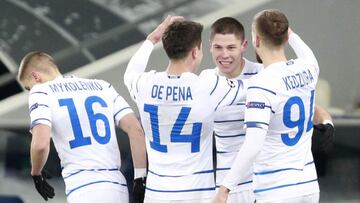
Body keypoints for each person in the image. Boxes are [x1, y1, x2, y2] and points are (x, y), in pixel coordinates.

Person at [124, 16, 248, 202]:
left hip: (157, 194)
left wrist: (151, 39)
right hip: (197, 195)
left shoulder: (145, 84)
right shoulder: (209, 86)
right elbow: (256, 87)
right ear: (195, 52)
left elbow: (130, 73)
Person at [210, 17, 334, 202]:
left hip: (268, 186)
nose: (225, 54)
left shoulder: (262, 78)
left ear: (250, 43)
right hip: (304, 186)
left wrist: (224, 189)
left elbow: (253, 144)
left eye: (231, 47)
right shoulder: (307, 66)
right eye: (218, 47)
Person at [17, 52, 147, 203]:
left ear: (35, 77)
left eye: (28, 87)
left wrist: (36, 173)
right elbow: (136, 130)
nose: (30, 91)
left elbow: (40, 144)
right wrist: (140, 178)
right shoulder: (102, 86)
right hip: (117, 186)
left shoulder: (41, 91)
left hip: (83, 188)